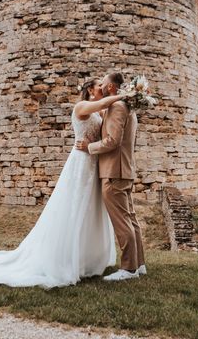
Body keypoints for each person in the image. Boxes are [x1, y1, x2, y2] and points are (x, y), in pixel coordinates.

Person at [0, 78, 124, 288]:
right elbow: (103, 104)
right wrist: (127, 94)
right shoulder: (82, 106)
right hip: (80, 163)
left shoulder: (98, 113)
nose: (103, 89)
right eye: (99, 86)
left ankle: (86, 259)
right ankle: (65, 259)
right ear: (90, 89)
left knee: (90, 208)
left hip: (92, 160)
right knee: (74, 207)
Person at [75, 72, 146, 281]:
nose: (102, 86)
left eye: (104, 83)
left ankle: (128, 268)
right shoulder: (127, 107)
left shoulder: (117, 107)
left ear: (112, 88)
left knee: (122, 221)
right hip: (124, 170)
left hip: (114, 171)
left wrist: (90, 147)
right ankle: (139, 264)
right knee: (131, 219)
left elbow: (113, 141)